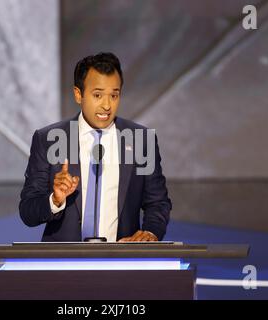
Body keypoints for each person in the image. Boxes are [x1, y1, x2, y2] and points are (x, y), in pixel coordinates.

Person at [19, 52, 172, 242]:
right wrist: (55, 200)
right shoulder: (48, 139)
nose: (107, 105)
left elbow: (157, 203)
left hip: (121, 263)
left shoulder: (141, 140)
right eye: (98, 95)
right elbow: (28, 211)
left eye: (114, 95)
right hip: (63, 265)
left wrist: (150, 232)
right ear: (78, 94)